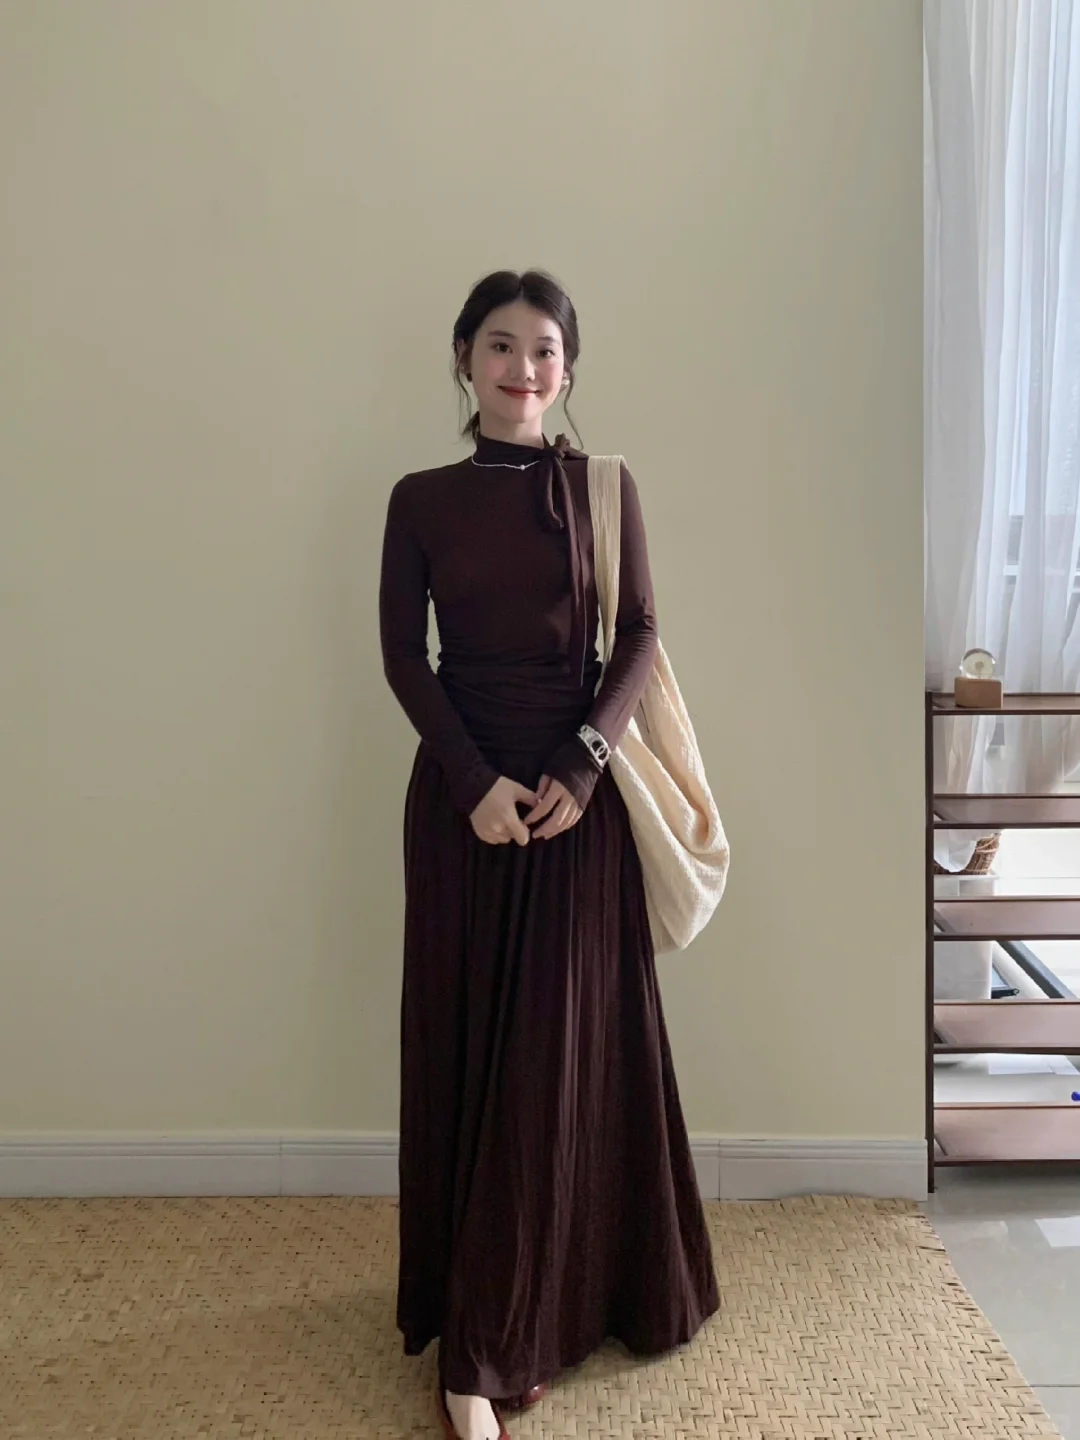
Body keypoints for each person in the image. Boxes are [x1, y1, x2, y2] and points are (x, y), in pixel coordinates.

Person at [378, 270, 718, 1440]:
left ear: (568, 369)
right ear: (463, 359)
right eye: (500, 345)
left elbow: (641, 636)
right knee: (473, 1051)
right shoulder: (419, 499)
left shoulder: (605, 490)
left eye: (544, 350)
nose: (524, 369)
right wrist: (474, 784)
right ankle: (480, 1334)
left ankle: (515, 1330)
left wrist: (581, 765)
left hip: (580, 810)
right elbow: (404, 656)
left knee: (558, 1063)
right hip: (462, 808)